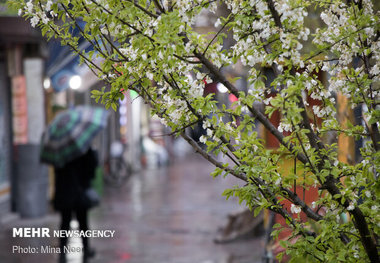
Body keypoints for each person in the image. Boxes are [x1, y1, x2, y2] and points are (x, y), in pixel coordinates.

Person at [53, 147, 98, 263]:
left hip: (65, 191)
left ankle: (63, 252)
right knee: (83, 223)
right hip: (80, 191)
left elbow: (56, 169)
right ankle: (86, 249)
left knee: (65, 223)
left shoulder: (60, 150)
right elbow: (92, 169)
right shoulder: (84, 148)